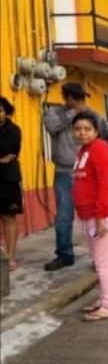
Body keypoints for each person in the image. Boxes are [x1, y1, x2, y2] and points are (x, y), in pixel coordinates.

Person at [42, 82, 108, 271]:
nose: (81, 102)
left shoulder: (94, 117)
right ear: (66, 98)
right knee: (64, 216)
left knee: (93, 216)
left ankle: (97, 257)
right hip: (65, 171)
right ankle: (64, 255)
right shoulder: (55, 112)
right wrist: (74, 114)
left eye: (82, 98)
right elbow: (51, 126)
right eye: (76, 98)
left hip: (88, 173)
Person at [70, 111, 108, 321]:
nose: (82, 133)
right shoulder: (84, 150)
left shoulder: (100, 149)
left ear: (96, 131)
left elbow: (104, 186)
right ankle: (105, 299)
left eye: (87, 129)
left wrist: (100, 217)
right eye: (78, 129)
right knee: (99, 260)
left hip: (101, 215)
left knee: (103, 262)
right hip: (88, 215)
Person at [0, 97, 22, 272]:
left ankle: (10, 257)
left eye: (0, 111)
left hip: (8, 179)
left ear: (6, 112)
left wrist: (5, 158)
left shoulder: (14, 130)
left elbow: (10, 153)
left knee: (8, 217)